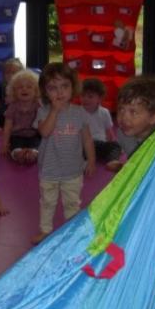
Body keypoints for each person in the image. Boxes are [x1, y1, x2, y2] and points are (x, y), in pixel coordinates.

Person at [32, 62, 95, 245]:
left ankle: (71, 231)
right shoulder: (43, 111)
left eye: (64, 86)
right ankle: (45, 230)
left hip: (73, 170)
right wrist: (54, 111)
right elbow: (44, 132)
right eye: (53, 88)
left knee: (72, 203)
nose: (59, 92)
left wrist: (91, 160)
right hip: (49, 170)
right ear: (45, 92)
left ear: (73, 87)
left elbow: (87, 139)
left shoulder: (79, 112)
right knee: (47, 202)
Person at [106, 76, 155, 172]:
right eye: (121, 109)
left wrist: (121, 168)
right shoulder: (123, 134)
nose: (123, 117)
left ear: (154, 118)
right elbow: (137, 164)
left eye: (133, 112)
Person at [0, 68, 42, 165]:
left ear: (36, 91)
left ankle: (33, 154)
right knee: (14, 146)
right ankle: (18, 154)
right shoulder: (13, 107)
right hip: (17, 135)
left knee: (38, 145)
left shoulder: (38, 106)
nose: (24, 89)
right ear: (14, 91)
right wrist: (4, 144)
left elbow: (43, 123)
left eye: (29, 87)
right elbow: (7, 127)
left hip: (34, 135)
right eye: (20, 87)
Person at [80, 77, 120, 167]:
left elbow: (109, 131)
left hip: (100, 144)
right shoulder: (77, 112)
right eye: (83, 95)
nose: (85, 99)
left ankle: (113, 161)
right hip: (85, 145)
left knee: (115, 145)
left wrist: (113, 141)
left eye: (90, 96)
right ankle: (84, 162)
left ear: (100, 98)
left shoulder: (104, 112)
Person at [0, 57, 24, 135]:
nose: (11, 75)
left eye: (14, 73)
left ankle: (18, 127)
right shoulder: (1, 87)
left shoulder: (23, 87)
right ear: (3, 75)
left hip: (19, 113)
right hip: (4, 113)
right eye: (8, 73)